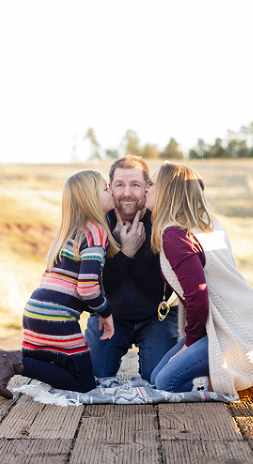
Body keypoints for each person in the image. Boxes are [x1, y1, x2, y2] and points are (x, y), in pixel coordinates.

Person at [146, 162, 253, 397]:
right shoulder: (205, 224)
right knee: (156, 378)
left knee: (168, 383)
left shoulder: (175, 235)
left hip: (232, 330)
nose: (146, 188)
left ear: (167, 190)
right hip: (241, 321)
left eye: (151, 184)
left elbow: (197, 295)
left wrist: (189, 343)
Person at [0, 170, 117, 398]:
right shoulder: (96, 231)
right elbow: (86, 288)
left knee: (60, 365)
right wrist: (106, 312)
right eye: (106, 189)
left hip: (35, 311)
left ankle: (3, 359)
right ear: (91, 200)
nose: (111, 192)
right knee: (84, 383)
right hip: (57, 319)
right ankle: (15, 364)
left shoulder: (68, 233)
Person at [84, 156, 180, 383]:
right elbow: (95, 286)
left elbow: (159, 291)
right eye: (120, 185)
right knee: (92, 377)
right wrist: (125, 253)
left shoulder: (161, 221)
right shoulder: (98, 222)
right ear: (110, 188)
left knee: (160, 380)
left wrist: (132, 253)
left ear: (147, 188)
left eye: (135, 185)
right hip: (109, 316)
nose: (127, 193)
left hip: (157, 315)